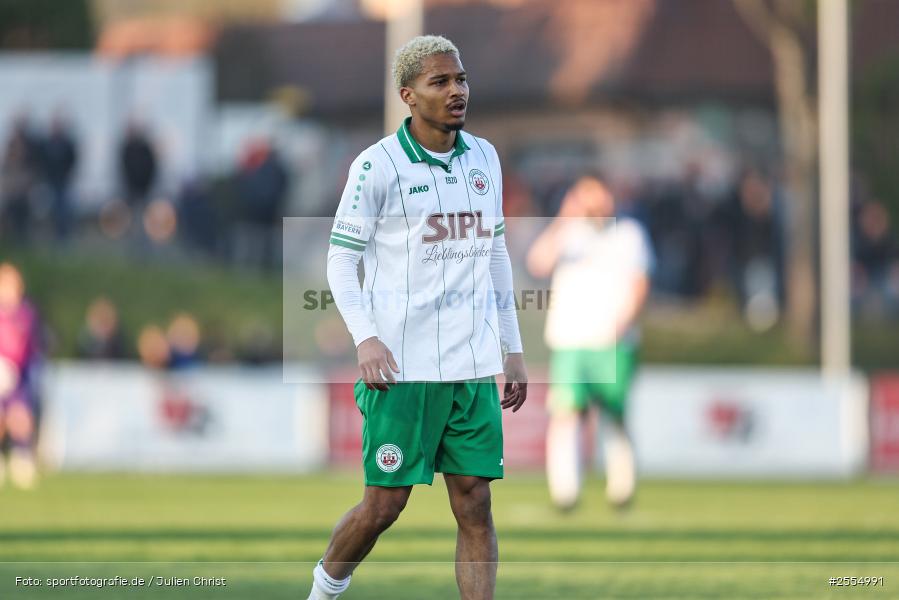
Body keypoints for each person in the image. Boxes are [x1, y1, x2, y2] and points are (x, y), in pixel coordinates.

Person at [310, 35, 528, 600]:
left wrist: (512, 347)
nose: (457, 91)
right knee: (384, 505)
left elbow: (496, 252)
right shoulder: (376, 165)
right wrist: (366, 338)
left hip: (471, 364)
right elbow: (340, 259)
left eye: (461, 79)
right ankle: (323, 591)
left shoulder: (485, 157)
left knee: (475, 500)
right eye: (441, 82)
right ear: (408, 95)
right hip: (402, 368)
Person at [527, 175, 653, 510]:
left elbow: (640, 281)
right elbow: (537, 262)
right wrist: (563, 219)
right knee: (566, 413)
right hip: (570, 340)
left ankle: (621, 488)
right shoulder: (568, 234)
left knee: (614, 414)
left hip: (613, 340)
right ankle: (565, 491)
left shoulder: (629, 234)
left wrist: (625, 321)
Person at [0, 263, 42, 489]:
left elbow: (29, 346)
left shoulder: (26, 313)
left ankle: (21, 456)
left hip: (20, 375)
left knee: (21, 417)